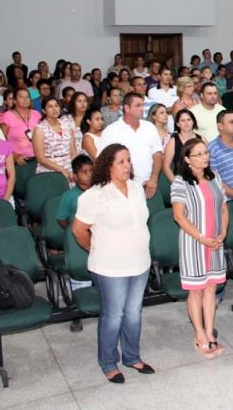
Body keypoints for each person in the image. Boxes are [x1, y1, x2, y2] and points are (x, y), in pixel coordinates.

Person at [72, 144, 154, 382]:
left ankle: (132, 357)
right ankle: (108, 362)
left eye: (128, 160)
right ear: (107, 165)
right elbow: (79, 231)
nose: (127, 165)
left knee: (133, 313)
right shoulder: (94, 195)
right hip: (110, 266)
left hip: (140, 261)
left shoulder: (137, 188)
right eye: (121, 161)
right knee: (114, 315)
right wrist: (96, 248)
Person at [171, 139, 228, 358]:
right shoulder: (180, 182)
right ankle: (199, 334)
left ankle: (210, 332)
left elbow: (223, 208)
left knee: (211, 288)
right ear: (187, 159)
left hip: (214, 241)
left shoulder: (215, 178)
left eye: (206, 153)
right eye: (199, 154)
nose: (205, 157)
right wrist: (202, 237)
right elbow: (179, 216)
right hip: (194, 242)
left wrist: (222, 232)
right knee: (196, 290)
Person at [100, 93, 163, 199]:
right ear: (127, 108)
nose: (142, 109)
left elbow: (157, 154)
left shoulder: (149, 127)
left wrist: (154, 178)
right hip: (123, 188)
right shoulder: (111, 131)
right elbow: (103, 161)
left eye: (143, 105)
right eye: (138, 106)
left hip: (149, 185)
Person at [33, 97, 78, 180]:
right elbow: (41, 158)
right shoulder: (39, 129)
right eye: (50, 106)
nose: (54, 109)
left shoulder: (67, 125)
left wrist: (75, 170)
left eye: (56, 106)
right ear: (43, 111)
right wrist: (62, 170)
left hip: (70, 166)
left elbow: (73, 152)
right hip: (49, 168)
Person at [0, 88, 40, 165]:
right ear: (14, 101)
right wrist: (13, 156)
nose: (25, 99)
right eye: (21, 97)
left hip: (38, 158)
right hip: (18, 161)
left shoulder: (36, 114)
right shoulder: (7, 116)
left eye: (27, 97)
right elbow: (0, 140)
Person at [163, 109, 206, 181]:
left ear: (193, 122)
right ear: (178, 124)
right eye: (182, 120)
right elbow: (166, 166)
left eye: (189, 119)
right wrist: (176, 185)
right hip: (181, 180)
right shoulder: (173, 141)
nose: (186, 123)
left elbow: (209, 161)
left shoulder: (202, 139)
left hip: (201, 179)